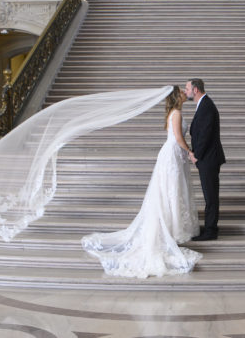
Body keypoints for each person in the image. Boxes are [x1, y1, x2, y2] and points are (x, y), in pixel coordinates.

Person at [81, 86, 202, 278]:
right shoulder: (176, 113)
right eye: (180, 91)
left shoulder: (173, 112)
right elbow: (178, 137)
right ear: (175, 96)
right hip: (172, 154)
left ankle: (171, 229)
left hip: (171, 155)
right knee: (171, 191)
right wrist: (189, 151)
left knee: (171, 191)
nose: (183, 94)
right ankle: (171, 230)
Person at [185, 79, 225, 241]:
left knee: (211, 196)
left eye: (187, 88)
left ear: (195, 90)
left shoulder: (207, 106)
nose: (185, 91)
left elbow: (206, 135)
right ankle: (210, 228)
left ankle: (211, 231)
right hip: (207, 158)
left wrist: (196, 154)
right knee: (209, 195)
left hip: (208, 158)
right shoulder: (204, 104)